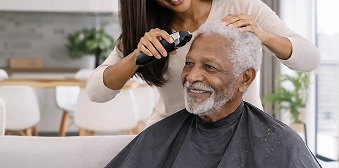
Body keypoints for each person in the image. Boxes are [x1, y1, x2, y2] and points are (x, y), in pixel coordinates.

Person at [86, 0, 321, 126]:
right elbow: (96, 92)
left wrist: (263, 35)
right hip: (171, 138)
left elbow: (310, 59)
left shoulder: (241, 6)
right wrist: (137, 56)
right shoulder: (146, 32)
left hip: (239, 133)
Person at [105, 22, 322, 168]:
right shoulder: (159, 136)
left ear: (244, 78)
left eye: (209, 67)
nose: (191, 77)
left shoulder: (281, 144)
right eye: (189, 64)